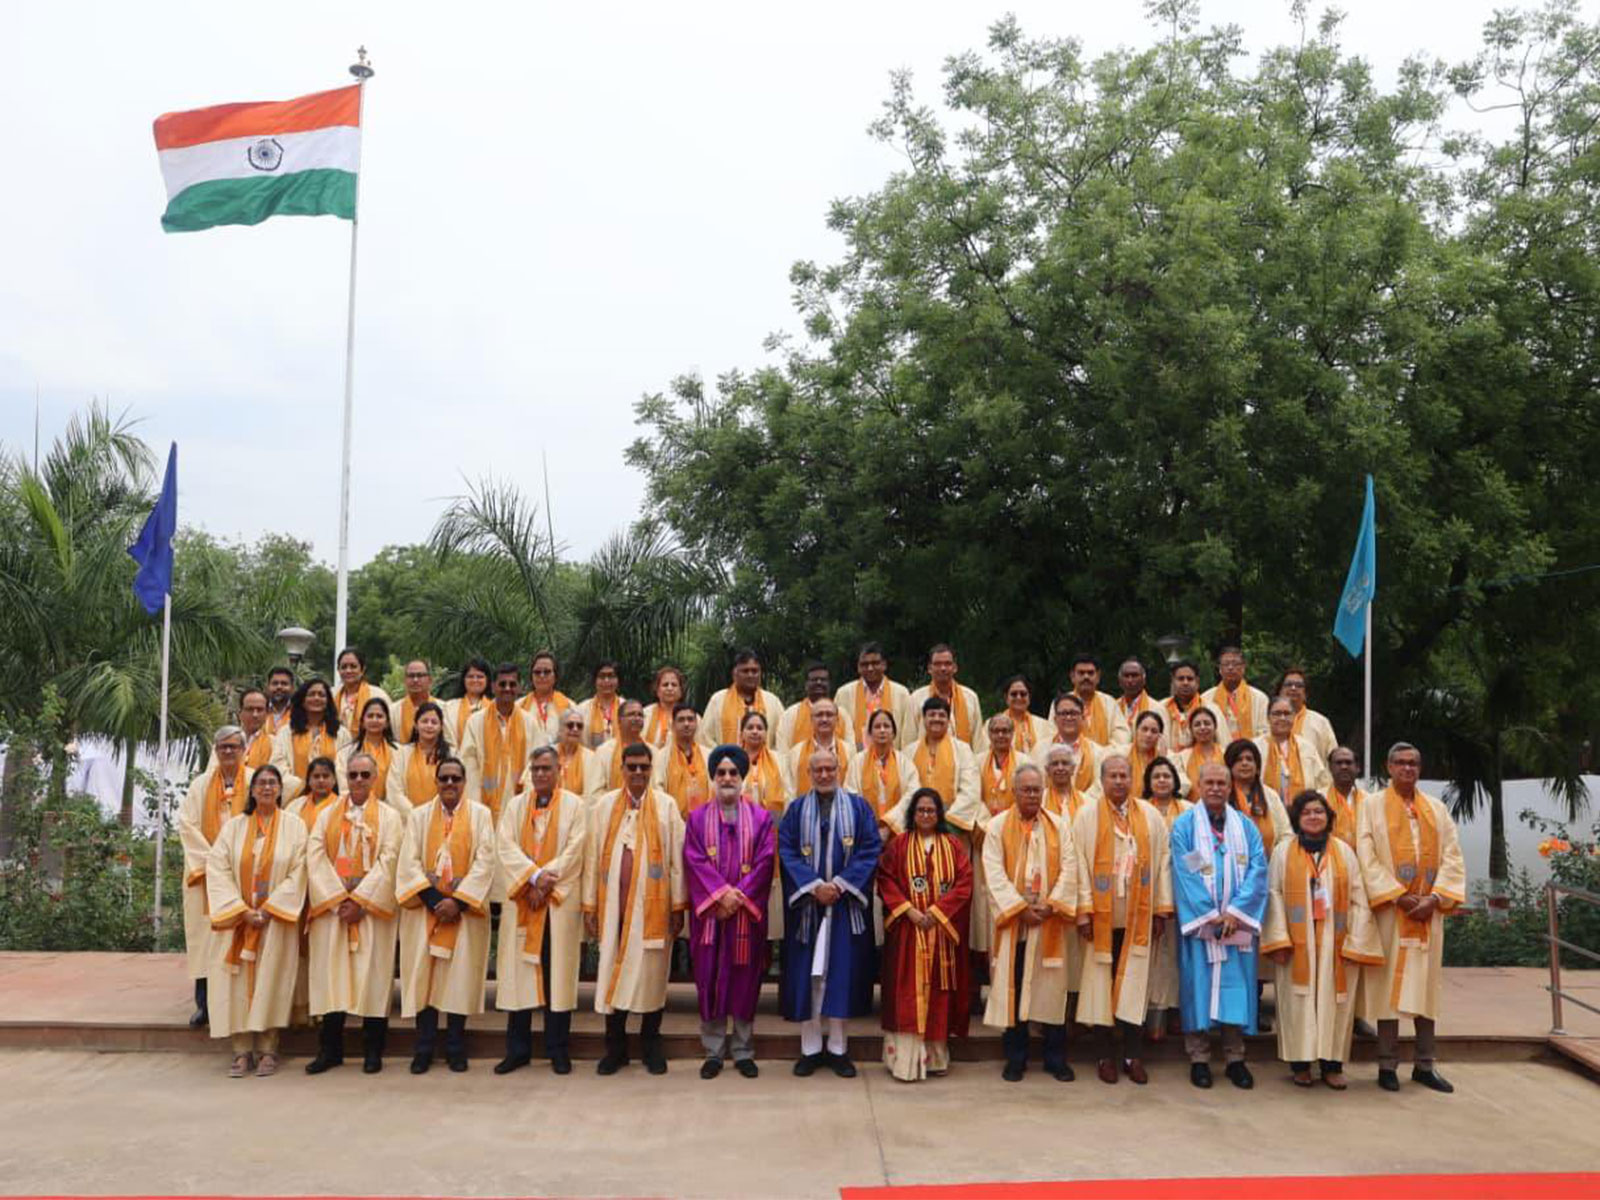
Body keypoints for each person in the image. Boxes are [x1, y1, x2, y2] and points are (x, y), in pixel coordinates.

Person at [1358, 742, 1466, 1094]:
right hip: (1392, 912)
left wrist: (1434, 898)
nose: (1408, 769)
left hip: (1428, 915)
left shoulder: (1435, 809)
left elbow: (1452, 856)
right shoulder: (1371, 806)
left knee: (1427, 988)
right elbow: (1367, 856)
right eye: (1401, 763)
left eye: (1414, 763)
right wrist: (1399, 896)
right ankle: (1387, 1065)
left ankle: (1425, 1064)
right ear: (1388, 767)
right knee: (1389, 986)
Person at [1261, 790, 1384, 1089]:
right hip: (1296, 942)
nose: (1313, 817)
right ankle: (1300, 1065)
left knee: (1334, 1004)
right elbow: (1273, 895)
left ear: (1328, 817)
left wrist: (1355, 942)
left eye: (1319, 812)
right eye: (1306, 813)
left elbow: (1359, 899)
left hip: (1335, 942)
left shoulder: (1343, 851)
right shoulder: (1282, 852)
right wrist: (1278, 940)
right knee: (1298, 1002)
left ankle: (1332, 1065)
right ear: (1297, 818)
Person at [585, 742, 687, 1075]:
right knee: (613, 972)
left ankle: (650, 1044)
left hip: (652, 911)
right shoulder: (603, 806)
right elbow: (591, 859)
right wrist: (590, 905)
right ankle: (615, 1049)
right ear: (622, 769)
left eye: (644, 767)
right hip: (613, 907)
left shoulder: (666, 806)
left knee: (652, 976)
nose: (639, 773)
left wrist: (677, 905)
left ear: (651, 768)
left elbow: (677, 861)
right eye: (632, 767)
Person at [779, 749, 883, 1077]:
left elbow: (869, 849)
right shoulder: (796, 810)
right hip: (808, 908)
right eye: (818, 770)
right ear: (809, 774)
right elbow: (786, 850)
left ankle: (838, 1048)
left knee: (839, 976)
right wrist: (813, 887)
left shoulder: (858, 807)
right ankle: (810, 1049)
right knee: (810, 977)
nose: (824, 775)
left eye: (829, 769)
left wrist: (838, 885)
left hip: (843, 905)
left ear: (840, 770)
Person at [1073, 755, 1173, 1085]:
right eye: (1112, 776)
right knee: (1101, 985)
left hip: (1137, 918)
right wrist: (1084, 910)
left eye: (1124, 775)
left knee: (1133, 985)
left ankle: (1133, 1054)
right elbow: (1079, 866)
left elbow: (1162, 864)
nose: (1119, 781)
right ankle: (1104, 1055)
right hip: (1102, 920)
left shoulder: (1149, 816)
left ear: (1132, 779)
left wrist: (1160, 909)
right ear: (1102, 780)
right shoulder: (1087, 816)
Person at [394, 756, 497, 1074]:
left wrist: (459, 903)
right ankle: (423, 1048)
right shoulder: (419, 815)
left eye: (455, 778)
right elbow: (408, 861)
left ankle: (455, 1046)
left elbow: (486, 860)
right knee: (424, 977)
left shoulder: (480, 815)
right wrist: (435, 899)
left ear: (464, 782)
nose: (450, 784)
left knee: (458, 980)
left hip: (463, 914)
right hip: (428, 911)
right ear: (436, 782)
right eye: (444, 779)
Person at [302, 751, 402, 1076]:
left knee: (373, 978)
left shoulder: (389, 817)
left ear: (375, 778)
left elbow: (390, 860)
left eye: (364, 775)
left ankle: (373, 1050)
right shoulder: (327, 814)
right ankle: (329, 1050)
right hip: (334, 912)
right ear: (345, 778)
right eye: (353, 774)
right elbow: (314, 856)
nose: (358, 780)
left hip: (370, 912)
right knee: (332, 979)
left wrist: (360, 900)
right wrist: (336, 899)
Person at [205, 764, 308, 1078]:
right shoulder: (234, 827)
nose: (266, 788)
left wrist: (270, 908)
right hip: (240, 921)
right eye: (261, 783)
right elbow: (218, 868)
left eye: (272, 783)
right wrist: (241, 910)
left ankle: (268, 1049)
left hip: (275, 921)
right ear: (251, 790)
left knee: (272, 981)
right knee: (235, 982)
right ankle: (240, 1051)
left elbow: (299, 871)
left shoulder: (295, 827)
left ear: (280, 789)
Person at [1172, 762, 1268, 1089]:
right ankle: (1198, 1058)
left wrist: (1235, 912)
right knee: (1198, 988)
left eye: (1221, 783)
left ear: (1230, 788)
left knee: (1235, 990)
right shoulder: (1185, 826)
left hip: (1236, 927)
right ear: (1198, 786)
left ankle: (1235, 1058)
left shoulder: (1246, 827)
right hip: (1202, 927)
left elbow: (1258, 869)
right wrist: (1210, 914)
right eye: (1209, 782)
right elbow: (1186, 870)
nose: (1215, 788)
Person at [684, 744, 777, 1079]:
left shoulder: (762, 818)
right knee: (708, 978)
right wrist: (721, 897)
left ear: (742, 778)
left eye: (733, 773)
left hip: (744, 919)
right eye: (721, 772)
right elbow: (693, 862)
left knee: (744, 980)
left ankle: (742, 1050)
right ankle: (712, 1051)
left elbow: (766, 863)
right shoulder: (696, 819)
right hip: (711, 919)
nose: (726, 778)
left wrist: (738, 899)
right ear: (713, 777)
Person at [495, 746, 587, 1076]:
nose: (540, 774)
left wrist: (545, 882)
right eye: (535, 769)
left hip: (556, 907)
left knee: (556, 977)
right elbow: (504, 845)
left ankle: (557, 1049)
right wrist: (532, 878)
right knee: (519, 976)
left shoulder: (576, 806)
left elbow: (577, 849)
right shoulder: (516, 806)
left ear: (559, 770)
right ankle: (516, 1050)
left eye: (547, 768)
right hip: (524, 901)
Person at [982, 763, 1078, 1082]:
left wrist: (1051, 906)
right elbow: (993, 872)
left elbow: (1070, 866)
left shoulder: (1059, 825)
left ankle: (1055, 1057)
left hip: (1048, 921)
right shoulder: (997, 827)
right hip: (1015, 924)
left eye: (1037, 789)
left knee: (1051, 989)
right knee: (1014, 986)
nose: (1032, 795)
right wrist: (1020, 908)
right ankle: (1016, 1057)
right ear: (1014, 792)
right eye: (1026, 789)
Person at [877, 787, 973, 1082]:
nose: (926, 815)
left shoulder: (953, 845)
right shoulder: (899, 845)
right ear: (912, 814)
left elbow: (964, 883)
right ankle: (905, 1062)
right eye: (921, 810)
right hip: (909, 931)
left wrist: (938, 912)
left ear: (939, 814)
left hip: (940, 932)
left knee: (938, 995)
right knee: (906, 993)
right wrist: (910, 911)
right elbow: (886, 879)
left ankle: (933, 1060)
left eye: (931, 811)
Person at [178, 725, 252, 1027]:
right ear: (216, 750)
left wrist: (239, 863)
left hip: (245, 873)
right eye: (223, 747)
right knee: (205, 941)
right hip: (207, 875)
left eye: (234, 746)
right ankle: (205, 1006)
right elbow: (187, 825)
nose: (228, 752)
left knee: (243, 939)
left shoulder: (258, 780)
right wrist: (216, 865)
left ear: (244, 749)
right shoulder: (200, 786)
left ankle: (243, 1005)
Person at [1141, 756, 1191, 1041]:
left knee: (1178, 955)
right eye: (1156, 776)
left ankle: (1177, 1013)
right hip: (1149, 890)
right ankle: (1154, 1016)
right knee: (1154, 958)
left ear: (1175, 781)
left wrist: (1200, 879)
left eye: (1166, 776)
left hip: (1183, 891)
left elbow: (1199, 850)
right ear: (1148, 781)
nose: (1161, 780)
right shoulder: (1140, 809)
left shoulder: (1189, 810)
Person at [461, 662, 535, 825]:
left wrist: (527, 799)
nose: (507, 688)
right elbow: (469, 765)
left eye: (512, 684)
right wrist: (475, 805)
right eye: (502, 684)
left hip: (519, 802)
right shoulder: (475, 722)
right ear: (493, 687)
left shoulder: (530, 722)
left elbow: (534, 763)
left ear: (519, 688)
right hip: (484, 803)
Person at [846, 708, 920, 840]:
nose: (882, 730)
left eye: (886, 726)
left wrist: (889, 823)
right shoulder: (857, 761)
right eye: (877, 726)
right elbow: (851, 795)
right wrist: (870, 827)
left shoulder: (905, 763)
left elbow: (912, 795)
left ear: (894, 733)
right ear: (869, 733)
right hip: (865, 832)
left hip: (897, 830)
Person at [701, 649, 785, 751]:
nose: (750, 675)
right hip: (727, 763)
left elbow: (782, 738)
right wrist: (723, 758)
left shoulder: (772, 702)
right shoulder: (718, 700)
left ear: (760, 674)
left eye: (754, 671)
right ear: (734, 674)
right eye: (745, 671)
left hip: (765, 765)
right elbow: (705, 738)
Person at [836, 642, 914, 750]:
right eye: (864, 664)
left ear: (884, 665)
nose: (870, 668)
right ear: (858, 667)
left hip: (892, 759)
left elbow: (907, 734)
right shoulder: (844, 694)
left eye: (875, 663)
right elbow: (838, 731)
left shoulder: (901, 693)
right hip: (856, 760)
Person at [908, 644, 986, 753]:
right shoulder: (916, 698)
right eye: (937, 664)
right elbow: (909, 739)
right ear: (930, 668)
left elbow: (978, 740)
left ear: (955, 668)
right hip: (927, 764)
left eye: (947, 664)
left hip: (962, 764)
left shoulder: (970, 697)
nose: (943, 668)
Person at [1254, 695, 1333, 803]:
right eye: (1277, 714)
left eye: (1287, 714)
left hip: (1302, 812)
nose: (1282, 718)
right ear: (1268, 717)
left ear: (1294, 717)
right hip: (1265, 808)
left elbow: (1322, 782)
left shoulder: (1306, 747)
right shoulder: (1255, 746)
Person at [271, 677, 342, 787]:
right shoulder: (287, 732)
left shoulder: (340, 733)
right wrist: (302, 786)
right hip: (296, 796)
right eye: (311, 694)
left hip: (332, 796)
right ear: (303, 701)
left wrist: (325, 784)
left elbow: (344, 768)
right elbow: (278, 765)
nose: (316, 698)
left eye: (321, 695)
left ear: (328, 701)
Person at [1032, 693, 1102, 797]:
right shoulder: (1040, 749)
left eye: (1073, 713)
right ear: (1055, 719)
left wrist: (1080, 801)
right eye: (1064, 713)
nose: (1069, 717)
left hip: (1086, 808)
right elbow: (1033, 781)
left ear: (1083, 718)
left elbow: (1099, 785)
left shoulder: (1098, 751)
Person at [386, 700, 451, 810]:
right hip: (407, 818)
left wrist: (433, 813)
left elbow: (454, 786)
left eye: (434, 722)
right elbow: (394, 789)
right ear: (416, 725)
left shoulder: (452, 754)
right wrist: (414, 814)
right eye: (424, 721)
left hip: (442, 816)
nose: (429, 726)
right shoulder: (402, 753)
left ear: (441, 727)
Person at [652, 702, 710, 815]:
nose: (686, 724)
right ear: (672, 725)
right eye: (681, 720)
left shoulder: (707, 755)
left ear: (697, 723)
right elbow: (658, 791)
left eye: (690, 719)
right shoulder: (661, 757)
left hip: (704, 821)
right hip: (673, 820)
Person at [1202, 646, 1269, 743]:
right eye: (1226, 664)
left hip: (1250, 752)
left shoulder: (1260, 698)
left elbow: (1264, 732)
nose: (1230, 668)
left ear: (1243, 667)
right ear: (1220, 669)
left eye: (1235, 664)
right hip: (1218, 753)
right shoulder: (1206, 698)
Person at [336, 697, 395, 801]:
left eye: (379, 716)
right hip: (356, 808)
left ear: (387, 723)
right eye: (370, 716)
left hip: (390, 811)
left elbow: (397, 787)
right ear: (362, 722)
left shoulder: (398, 752)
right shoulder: (346, 753)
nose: (374, 720)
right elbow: (344, 787)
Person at [1068, 654, 1131, 749]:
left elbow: (1122, 734)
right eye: (1081, 673)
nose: (1086, 677)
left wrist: (1102, 753)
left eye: (1090, 673)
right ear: (1072, 676)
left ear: (1098, 677)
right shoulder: (1062, 703)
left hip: (1106, 759)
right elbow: (1054, 735)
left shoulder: (1109, 702)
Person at [786, 697, 854, 781]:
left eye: (829, 715)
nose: (824, 719)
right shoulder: (796, 753)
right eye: (819, 715)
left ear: (837, 719)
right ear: (811, 719)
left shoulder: (850, 752)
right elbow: (790, 790)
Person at [1277, 667, 1337, 763]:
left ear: (1306, 694)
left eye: (1299, 685)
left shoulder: (1320, 722)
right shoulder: (1269, 720)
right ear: (1279, 691)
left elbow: (1334, 758)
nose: (1293, 688)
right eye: (1288, 684)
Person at [1160, 660, 1221, 752]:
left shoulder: (1211, 709)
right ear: (1172, 681)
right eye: (1181, 679)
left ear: (1197, 682)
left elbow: (1223, 742)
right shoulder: (1161, 708)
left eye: (1190, 679)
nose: (1185, 683)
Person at [518, 650, 573, 747]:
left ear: (555, 676)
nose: (541, 676)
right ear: (531, 676)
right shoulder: (519, 707)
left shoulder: (570, 707)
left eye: (547, 672)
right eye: (537, 672)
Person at [595, 698, 650, 794]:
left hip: (647, 806)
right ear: (619, 720)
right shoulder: (603, 751)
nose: (637, 718)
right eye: (631, 714)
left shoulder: (653, 751)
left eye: (640, 715)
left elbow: (657, 789)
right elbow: (596, 791)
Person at [331, 648, 390, 733]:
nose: (348, 670)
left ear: (362, 669)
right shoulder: (331, 694)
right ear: (338, 670)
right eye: (344, 667)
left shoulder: (377, 695)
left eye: (353, 666)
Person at [776, 662, 833, 751]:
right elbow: (783, 750)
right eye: (814, 679)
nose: (819, 682)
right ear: (806, 685)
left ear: (829, 684)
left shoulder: (842, 715)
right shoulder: (790, 714)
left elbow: (849, 750)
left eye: (823, 679)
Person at [554, 709, 606, 799]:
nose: (575, 729)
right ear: (560, 729)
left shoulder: (592, 758)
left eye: (579, 726)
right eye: (570, 725)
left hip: (580, 809)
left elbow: (595, 793)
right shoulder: (547, 754)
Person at [443, 656, 492, 749]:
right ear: (463, 680)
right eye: (470, 676)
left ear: (487, 680)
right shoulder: (449, 708)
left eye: (480, 676)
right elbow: (447, 741)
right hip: (456, 760)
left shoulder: (495, 708)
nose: (475, 680)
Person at [999, 675, 1053, 757]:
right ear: (1006, 698)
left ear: (1029, 697)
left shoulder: (1043, 726)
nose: (1019, 697)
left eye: (1023, 694)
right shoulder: (994, 725)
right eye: (1014, 694)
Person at [575, 660, 624, 750]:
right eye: (601, 676)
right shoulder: (581, 709)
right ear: (595, 680)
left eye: (611, 676)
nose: (606, 680)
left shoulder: (626, 707)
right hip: (589, 761)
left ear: (618, 680)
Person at [1176, 706, 1226, 794]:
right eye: (1197, 724)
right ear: (1191, 729)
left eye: (1207, 723)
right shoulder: (1182, 757)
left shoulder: (1226, 753)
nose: (1202, 727)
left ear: (1215, 726)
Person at [1325, 746, 1365, 847]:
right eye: (1339, 763)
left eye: (1348, 762)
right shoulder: (1319, 798)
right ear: (1330, 767)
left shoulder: (1369, 801)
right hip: (1330, 858)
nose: (1344, 767)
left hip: (1362, 859)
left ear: (1357, 768)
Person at [641, 665, 688, 749]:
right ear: (657, 690)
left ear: (681, 690)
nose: (669, 688)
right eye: (665, 685)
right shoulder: (644, 714)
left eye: (674, 685)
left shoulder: (690, 716)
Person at [1042, 745, 1091, 820]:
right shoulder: (1041, 800)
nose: (1060, 768)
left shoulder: (1087, 802)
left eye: (1065, 763)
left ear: (1073, 769)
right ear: (1047, 770)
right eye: (1055, 764)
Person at [1114, 657, 1160, 733]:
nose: (1130, 680)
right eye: (1126, 676)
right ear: (1119, 681)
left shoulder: (1156, 708)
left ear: (1144, 679)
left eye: (1134, 675)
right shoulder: (1113, 707)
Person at [393, 660, 435, 743]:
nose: (415, 680)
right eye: (411, 676)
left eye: (420, 675)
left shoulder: (444, 708)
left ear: (430, 680)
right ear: (404, 680)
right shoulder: (393, 711)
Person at [1126, 710, 1166, 795]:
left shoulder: (1169, 756)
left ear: (1160, 737)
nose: (1148, 735)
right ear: (1136, 731)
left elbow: (1182, 787)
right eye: (1144, 729)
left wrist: (1162, 761)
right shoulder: (1121, 754)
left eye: (1154, 731)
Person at [238, 688, 276, 771]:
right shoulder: (226, 742)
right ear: (240, 713)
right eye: (250, 709)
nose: (255, 715)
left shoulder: (275, 744)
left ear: (267, 713)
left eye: (259, 710)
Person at [264, 666, 295, 736]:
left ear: (292, 688)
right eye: (275, 683)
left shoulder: (299, 712)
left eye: (284, 684)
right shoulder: (259, 711)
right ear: (267, 687)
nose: (279, 687)